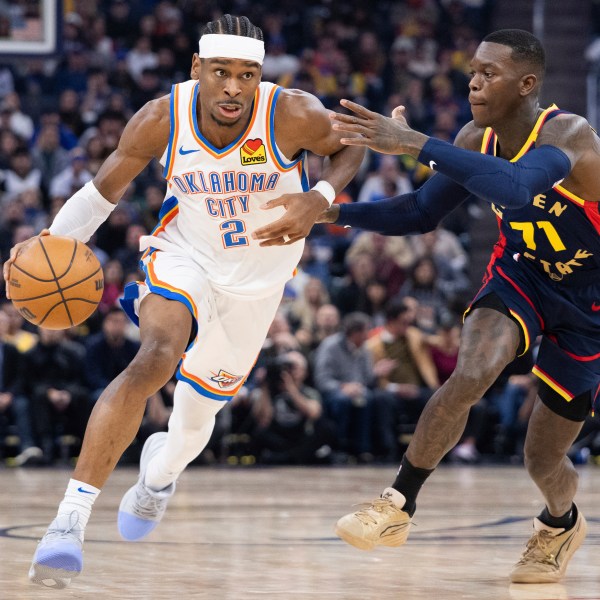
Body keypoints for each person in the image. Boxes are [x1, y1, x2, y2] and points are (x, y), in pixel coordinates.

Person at [3, 15, 363, 589]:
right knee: (156, 356)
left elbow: (347, 149)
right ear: (196, 68)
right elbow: (102, 194)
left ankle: (158, 476)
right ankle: (68, 522)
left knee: (193, 428)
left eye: (247, 75)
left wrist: (318, 197)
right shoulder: (160, 117)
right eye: (220, 72)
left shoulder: (292, 112)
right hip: (183, 258)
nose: (232, 88)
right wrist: (50, 243)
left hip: (257, 287)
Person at [319, 29, 599, 583]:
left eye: (489, 73)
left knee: (542, 459)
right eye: (472, 69)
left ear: (527, 84)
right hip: (521, 272)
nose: (474, 81)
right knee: (471, 371)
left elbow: (518, 188)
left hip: (589, 300)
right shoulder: (476, 137)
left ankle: (560, 523)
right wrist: (331, 215)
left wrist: (415, 143)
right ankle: (397, 503)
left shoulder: (570, 134)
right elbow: (421, 212)